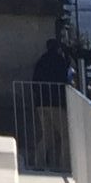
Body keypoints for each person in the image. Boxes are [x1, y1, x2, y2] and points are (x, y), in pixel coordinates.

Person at [30, 34, 70, 171]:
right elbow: (65, 77)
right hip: (56, 102)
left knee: (48, 135)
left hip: (41, 103)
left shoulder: (41, 61)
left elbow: (34, 81)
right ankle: (64, 165)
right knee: (65, 134)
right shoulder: (59, 61)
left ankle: (38, 162)